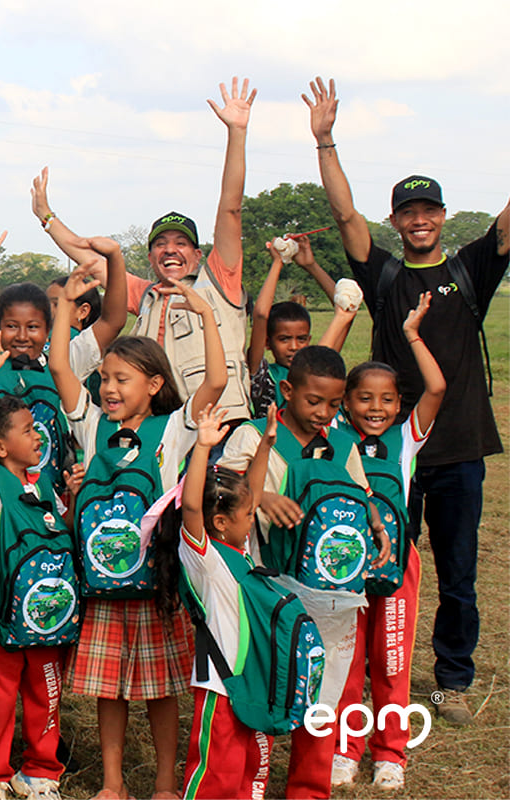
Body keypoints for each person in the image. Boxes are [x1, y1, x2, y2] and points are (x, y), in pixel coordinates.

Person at [306, 75, 510, 724]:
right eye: (408, 212)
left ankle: (451, 679)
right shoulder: (384, 274)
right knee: (371, 562)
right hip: (385, 454)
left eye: (429, 211)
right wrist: (326, 140)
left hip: (456, 448)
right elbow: (343, 215)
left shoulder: (471, 269)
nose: (419, 220)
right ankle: (367, 677)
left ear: (443, 217)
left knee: (457, 573)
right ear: (396, 221)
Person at [50, 267, 227, 800]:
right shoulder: (90, 424)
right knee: (109, 690)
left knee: (163, 691)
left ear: (153, 386)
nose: (107, 389)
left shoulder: (173, 430)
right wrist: (67, 305)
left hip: (158, 586)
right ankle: (111, 783)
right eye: (104, 378)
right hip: (103, 588)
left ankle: (167, 784)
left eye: (121, 380)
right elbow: (60, 364)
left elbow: (216, 383)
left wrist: (206, 316)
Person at [218, 346, 391, 799]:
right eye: (314, 401)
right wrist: (261, 498)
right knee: (265, 682)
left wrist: (374, 523)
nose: (323, 413)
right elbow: (222, 496)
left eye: (334, 405)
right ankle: (247, 785)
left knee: (323, 685)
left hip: (327, 592)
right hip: (263, 589)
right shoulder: (252, 436)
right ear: (287, 390)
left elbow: (358, 494)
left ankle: (310, 789)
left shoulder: (343, 444)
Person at [32, 77, 256, 422]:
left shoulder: (219, 281)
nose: (171, 250)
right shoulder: (147, 295)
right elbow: (91, 260)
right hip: (166, 432)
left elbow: (231, 208)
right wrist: (46, 217)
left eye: (181, 243)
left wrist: (236, 133)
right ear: (151, 258)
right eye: (161, 244)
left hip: (222, 425)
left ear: (198, 255)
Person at [331, 294, 445, 791]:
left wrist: (413, 334)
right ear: (345, 402)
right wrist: (343, 319)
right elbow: (321, 371)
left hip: (398, 567)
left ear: (399, 404)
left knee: (392, 659)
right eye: (364, 398)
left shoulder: (406, 438)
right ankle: (343, 749)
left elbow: (437, 386)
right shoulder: (334, 434)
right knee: (347, 660)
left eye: (387, 400)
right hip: (340, 566)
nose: (376, 408)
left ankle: (391, 754)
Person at [0, 331, 78, 800]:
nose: (39, 436)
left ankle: (40, 771)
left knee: (45, 693)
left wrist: (72, 501)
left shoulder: (43, 486)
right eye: (29, 430)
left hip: (48, 617)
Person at [176, 404, 285, 800]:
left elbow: (249, 492)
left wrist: (266, 445)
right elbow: (191, 507)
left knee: (251, 769)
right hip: (220, 685)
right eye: (248, 515)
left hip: (254, 678)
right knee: (216, 772)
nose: (252, 519)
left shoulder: (242, 548)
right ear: (221, 522)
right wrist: (203, 447)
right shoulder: (204, 558)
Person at [246, 235, 352, 415]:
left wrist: (310, 265)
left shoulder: (322, 367)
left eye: (301, 339)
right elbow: (261, 315)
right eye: (284, 339)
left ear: (309, 339)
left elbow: (346, 309)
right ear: (267, 342)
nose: (294, 347)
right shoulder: (263, 375)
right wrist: (278, 263)